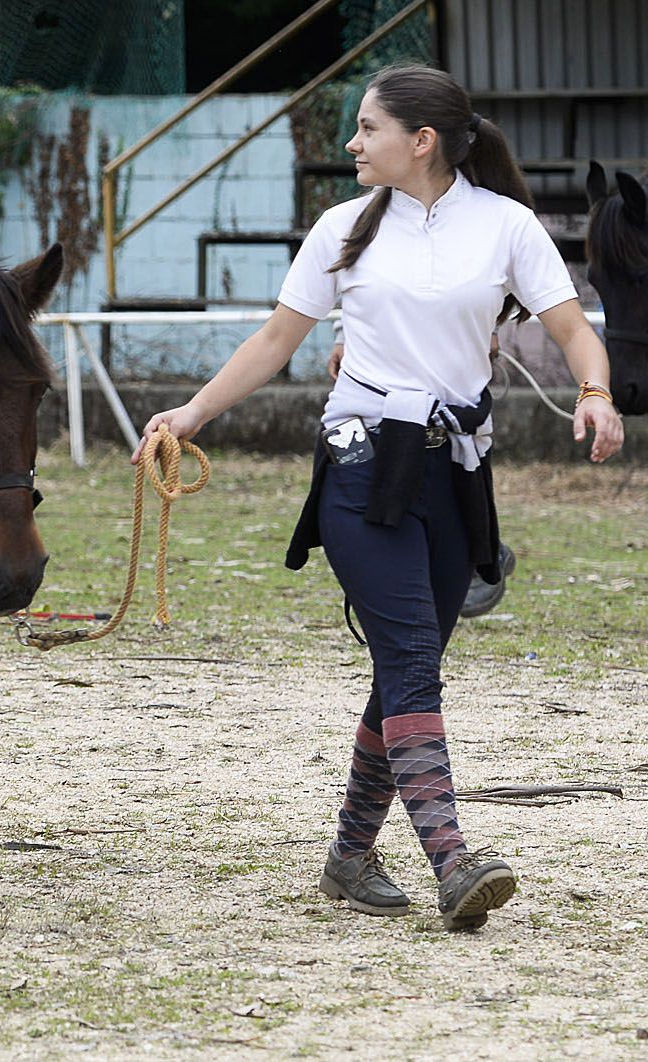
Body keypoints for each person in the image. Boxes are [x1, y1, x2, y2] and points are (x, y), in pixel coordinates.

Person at [140, 64, 623, 931]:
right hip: (362, 469)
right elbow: (276, 337)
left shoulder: (507, 226)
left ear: (421, 141)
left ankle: (348, 855)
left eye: (367, 129)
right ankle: (452, 858)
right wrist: (194, 411)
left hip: (456, 472)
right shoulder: (338, 229)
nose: (353, 144)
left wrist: (595, 393)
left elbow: (570, 327)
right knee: (409, 659)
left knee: (406, 667)